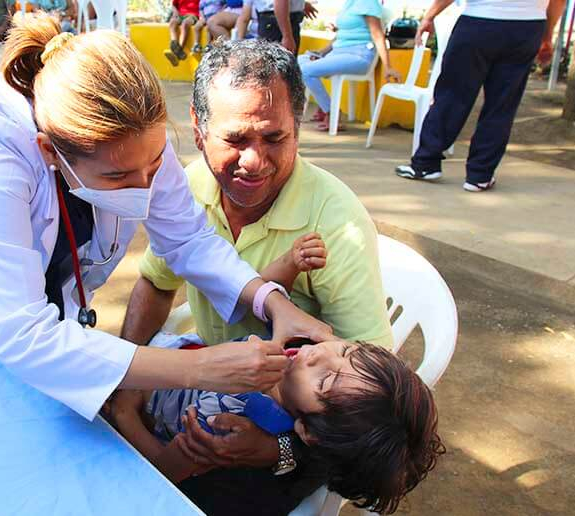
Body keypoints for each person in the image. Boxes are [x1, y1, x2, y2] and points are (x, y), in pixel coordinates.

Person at [0, 15, 332, 424]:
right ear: (52, 152)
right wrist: (197, 368)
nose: (145, 185)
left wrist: (270, 302)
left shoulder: (135, 139)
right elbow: (24, 333)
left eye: (156, 163)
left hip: (21, 315)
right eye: (119, 176)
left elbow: (189, 239)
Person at [121, 38, 393, 513]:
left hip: (289, 440)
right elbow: (156, 283)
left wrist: (277, 451)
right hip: (197, 384)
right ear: (199, 130)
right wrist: (126, 376)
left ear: (298, 130)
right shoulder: (188, 187)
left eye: (275, 138)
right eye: (235, 140)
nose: (255, 161)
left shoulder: (337, 225)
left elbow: (366, 397)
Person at [104, 339, 444, 515]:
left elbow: (161, 474)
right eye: (345, 349)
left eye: (324, 381)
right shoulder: (296, 373)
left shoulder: (229, 431)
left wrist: (125, 416)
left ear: (308, 433)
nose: (317, 354)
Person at [395, 0, 566, 191]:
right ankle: (480, 175)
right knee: (502, 104)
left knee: (452, 94)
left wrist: (430, 16)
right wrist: (547, 34)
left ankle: (425, 163)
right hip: (527, 27)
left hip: (479, 22)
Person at [297, 0, 401, 132]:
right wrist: (321, 53)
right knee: (298, 61)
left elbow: (377, 34)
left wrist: (388, 66)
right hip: (338, 53)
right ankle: (326, 107)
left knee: (306, 71)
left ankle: (331, 111)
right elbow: (340, 36)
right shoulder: (349, 3)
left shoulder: (368, 2)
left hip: (359, 55)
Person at [163, 0, 200, 66]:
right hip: (181, 15)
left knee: (185, 24)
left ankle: (178, 50)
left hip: (193, 14)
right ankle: (175, 46)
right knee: (172, 22)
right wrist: (175, 12)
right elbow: (174, 5)